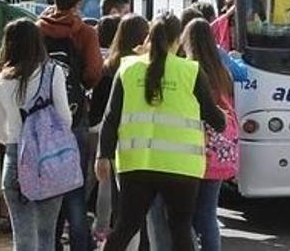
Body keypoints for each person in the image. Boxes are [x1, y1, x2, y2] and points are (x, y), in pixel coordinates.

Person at [96, 13, 226, 251]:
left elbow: (110, 117)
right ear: (178, 39)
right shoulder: (190, 71)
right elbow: (216, 120)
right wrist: (224, 116)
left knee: (126, 227)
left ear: (149, 36)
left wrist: (103, 156)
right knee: (180, 229)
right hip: (181, 165)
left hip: (136, 164)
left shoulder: (128, 68)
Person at [0, 19, 72, 251]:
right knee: (47, 234)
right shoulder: (53, 71)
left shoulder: (2, 79)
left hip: (16, 160)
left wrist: (18, 140)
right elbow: (65, 118)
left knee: (23, 238)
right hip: (50, 160)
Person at [38, 0, 102, 251]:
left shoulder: (36, 28)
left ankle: (50, 244)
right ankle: (79, 245)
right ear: (79, 2)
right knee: (75, 189)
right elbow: (93, 73)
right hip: (74, 118)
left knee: (47, 189)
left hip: (40, 119)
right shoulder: (84, 32)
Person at [91, 14, 150, 245]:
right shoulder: (145, 69)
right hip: (141, 146)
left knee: (119, 210)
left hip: (114, 146)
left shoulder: (109, 68)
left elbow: (99, 111)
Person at [182, 19, 238, 251]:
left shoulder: (189, 71)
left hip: (196, 149)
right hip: (221, 150)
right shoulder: (222, 71)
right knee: (209, 213)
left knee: (189, 215)